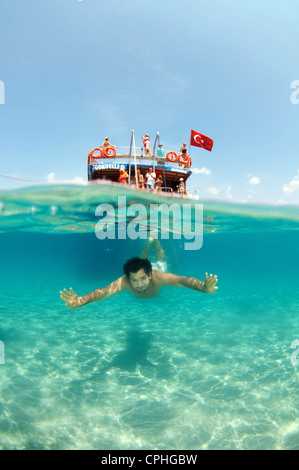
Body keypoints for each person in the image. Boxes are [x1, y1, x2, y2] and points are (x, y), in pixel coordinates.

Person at [60, 257, 218, 308]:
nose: (139, 284)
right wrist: (80, 301)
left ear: (149, 275)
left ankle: (154, 239)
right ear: (128, 279)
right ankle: (148, 242)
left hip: (158, 268)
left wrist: (203, 287)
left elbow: (181, 281)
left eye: (143, 278)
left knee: (161, 259)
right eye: (134, 280)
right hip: (146, 268)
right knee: (143, 257)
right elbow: (105, 291)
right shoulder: (125, 281)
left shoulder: (157, 276)